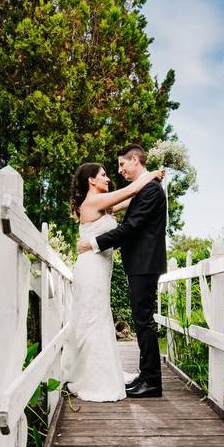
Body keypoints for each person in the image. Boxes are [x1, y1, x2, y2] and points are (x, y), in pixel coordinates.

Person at [63, 160, 164, 401]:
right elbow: (129, 191)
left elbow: (132, 200)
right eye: (104, 175)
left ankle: (98, 371)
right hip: (91, 269)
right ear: (92, 180)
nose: (109, 178)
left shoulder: (104, 205)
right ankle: (94, 378)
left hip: (99, 268)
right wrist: (151, 174)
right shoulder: (94, 201)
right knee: (94, 319)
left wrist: (152, 183)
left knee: (99, 317)